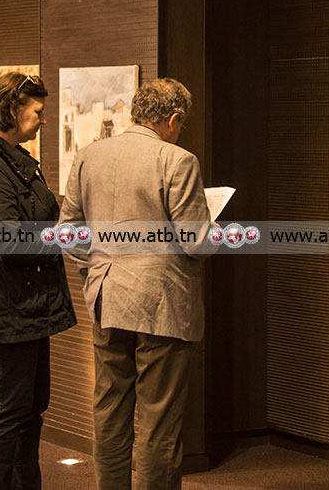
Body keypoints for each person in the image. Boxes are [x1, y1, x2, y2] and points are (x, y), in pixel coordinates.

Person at [60, 78, 215, 489]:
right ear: (173, 119)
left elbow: (68, 233)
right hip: (162, 305)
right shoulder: (178, 160)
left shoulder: (88, 156)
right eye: (181, 124)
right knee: (158, 420)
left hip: (106, 298)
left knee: (109, 411)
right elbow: (196, 242)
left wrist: (97, 268)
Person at [0, 72, 76, 490]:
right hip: (3, 308)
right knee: (9, 412)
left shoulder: (12, 158)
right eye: (37, 112)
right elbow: (9, 242)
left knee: (30, 408)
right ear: (11, 110)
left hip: (25, 305)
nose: (44, 120)